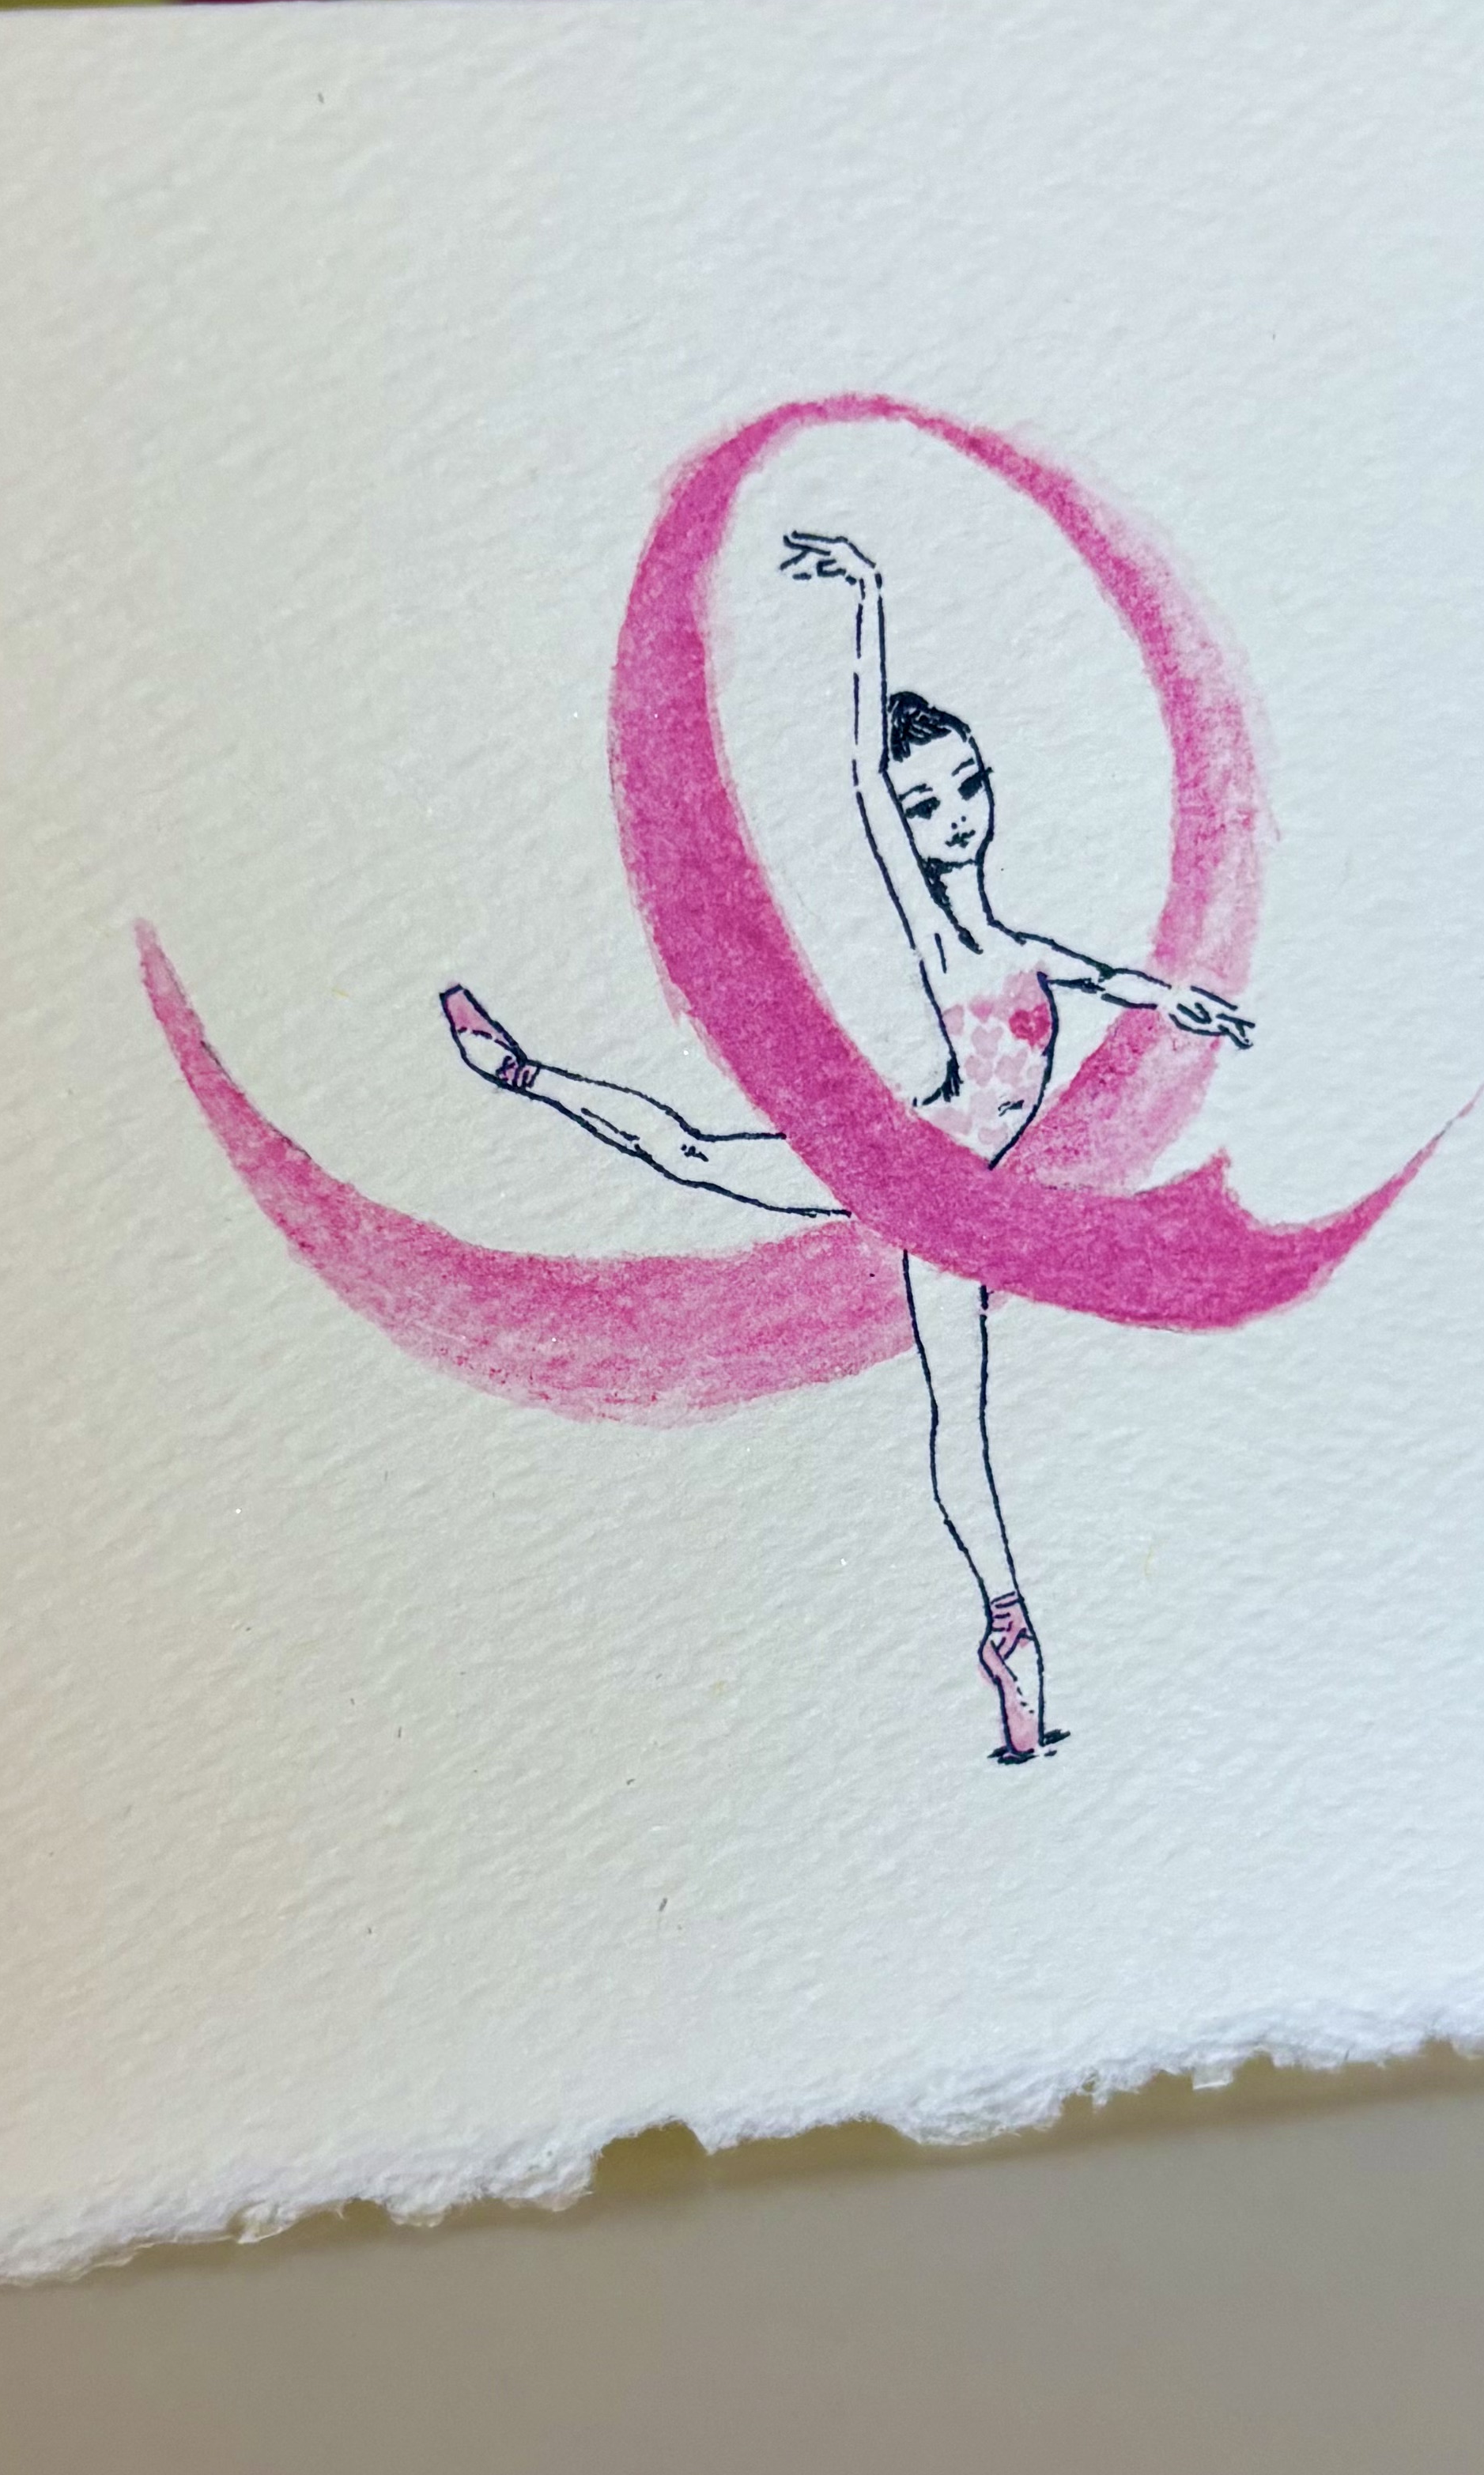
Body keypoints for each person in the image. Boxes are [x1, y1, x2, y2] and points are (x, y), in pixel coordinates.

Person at [438, 530, 1252, 1763]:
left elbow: (1105, 978)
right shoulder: (944, 940)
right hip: (923, 1178)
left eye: (965, 786)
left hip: (939, 1183)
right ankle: (525, 1074)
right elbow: (865, 782)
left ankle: (1009, 1639)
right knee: (715, 1170)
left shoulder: (1017, 947)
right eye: (929, 808)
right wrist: (868, 604)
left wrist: (1180, 1002)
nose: (952, 816)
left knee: (742, 1190)